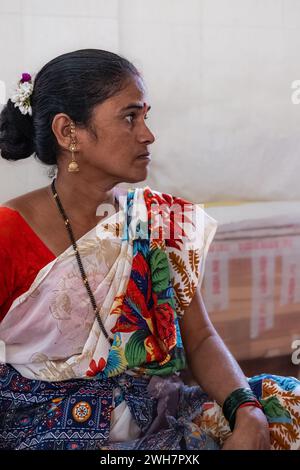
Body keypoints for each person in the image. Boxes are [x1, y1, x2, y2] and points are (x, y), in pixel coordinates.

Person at [0, 49, 299, 451]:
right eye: (129, 117)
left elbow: (201, 339)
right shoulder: (9, 232)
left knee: (288, 408)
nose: (148, 134)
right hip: (48, 427)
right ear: (69, 132)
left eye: (145, 116)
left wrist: (247, 412)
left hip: (159, 409)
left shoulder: (156, 219)